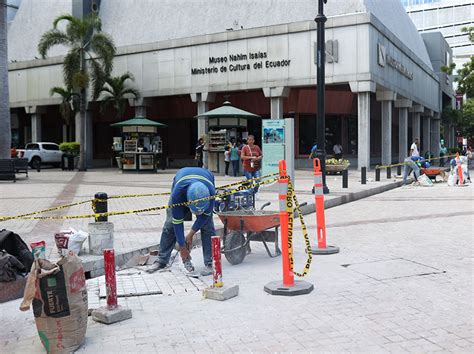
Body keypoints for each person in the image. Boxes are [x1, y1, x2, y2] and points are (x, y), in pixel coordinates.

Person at [152, 167, 216, 275]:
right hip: (181, 179)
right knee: (170, 224)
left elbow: (205, 216)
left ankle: (210, 262)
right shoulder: (178, 194)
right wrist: (182, 247)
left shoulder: (210, 192)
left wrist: (191, 234)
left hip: (205, 177)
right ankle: (162, 260)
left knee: (207, 226)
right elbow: (177, 222)